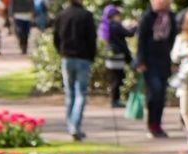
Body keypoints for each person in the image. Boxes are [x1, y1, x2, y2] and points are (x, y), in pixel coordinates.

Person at [53, 0, 96, 141]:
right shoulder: (86, 16)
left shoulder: (62, 15)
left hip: (67, 57)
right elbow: (91, 39)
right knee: (80, 94)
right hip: (82, 57)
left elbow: (56, 37)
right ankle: (74, 126)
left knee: (70, 93)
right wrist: (91, 56)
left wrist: (61, 51)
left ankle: (71, 124)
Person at [135, 0, 176, 138]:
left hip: (163, 61)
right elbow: (141, 39)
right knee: (155, 93)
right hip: (149, 62)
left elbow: (172, 39)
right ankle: (152, 124)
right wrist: (140, 61)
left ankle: (157, 124)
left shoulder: (171, 17)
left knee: (161, 95)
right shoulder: (147, 17)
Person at [99, 5, 137, 108]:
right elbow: (129, 33)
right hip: (118, 56)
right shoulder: (116, 25)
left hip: (111, 56)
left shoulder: (108, 26)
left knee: (115, 78)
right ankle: (115, 101)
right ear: (114, 15)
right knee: (118, 78)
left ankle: (115, 99)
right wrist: (136, 26)